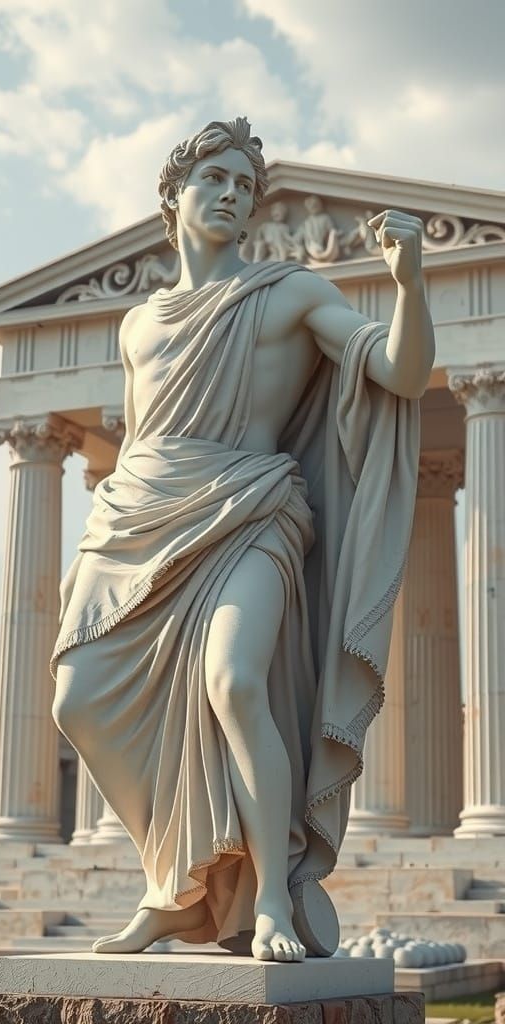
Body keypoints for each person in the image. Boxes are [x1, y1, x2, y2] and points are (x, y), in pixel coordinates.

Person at [51, 117, 434, 963]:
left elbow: (401, 376)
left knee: (232, 681)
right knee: (75, 700)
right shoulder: (136, 324)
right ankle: (174, 883)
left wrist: (408, 287)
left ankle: (269, 900)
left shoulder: (289, 293)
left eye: (245, 187)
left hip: (252, 509)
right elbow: (144, 432)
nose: (231, 195)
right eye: (214, 179)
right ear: (174, 196)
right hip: (141, 515)